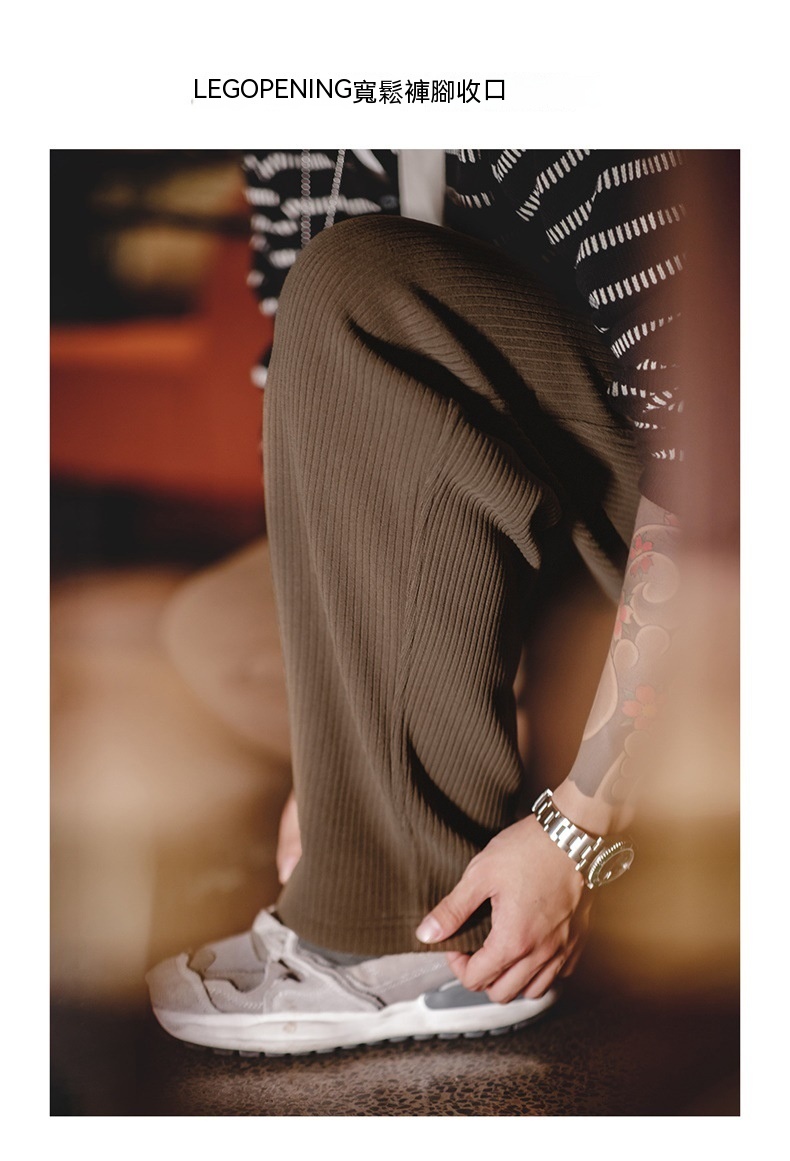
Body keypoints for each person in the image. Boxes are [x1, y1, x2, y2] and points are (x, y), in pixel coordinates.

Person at [147, 149, 693, 1055]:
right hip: (503, 526)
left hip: (671, 517)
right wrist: (335, 750)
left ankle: (405, 936)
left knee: (360, 283)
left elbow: (721, 482)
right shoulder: (295, 130)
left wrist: (583, 828)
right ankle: (464, 819)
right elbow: (309, 410)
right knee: (216, 632)